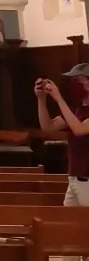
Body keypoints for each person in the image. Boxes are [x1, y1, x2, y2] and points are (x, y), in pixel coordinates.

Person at [35, 64, 89, 206]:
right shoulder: (75, 109)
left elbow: (79, 129)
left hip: (87, 180)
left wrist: (59, 99)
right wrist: (41, 99)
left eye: (77, 80)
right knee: (67, 224)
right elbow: (48, 128)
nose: (73, 84)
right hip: (74, 178)